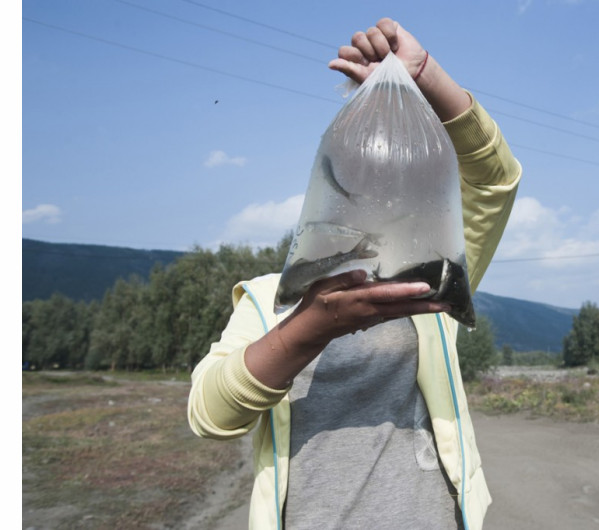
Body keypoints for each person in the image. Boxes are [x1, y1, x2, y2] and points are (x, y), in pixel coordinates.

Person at [188, 17, 522, 530]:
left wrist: (426, 75)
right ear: (330, 193)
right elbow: (209, 416)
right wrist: (312, 326)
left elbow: (494, 179)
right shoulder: (268, 299)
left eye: (397, 178)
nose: (381, 190)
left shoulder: (428, 286)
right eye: (359, 179)